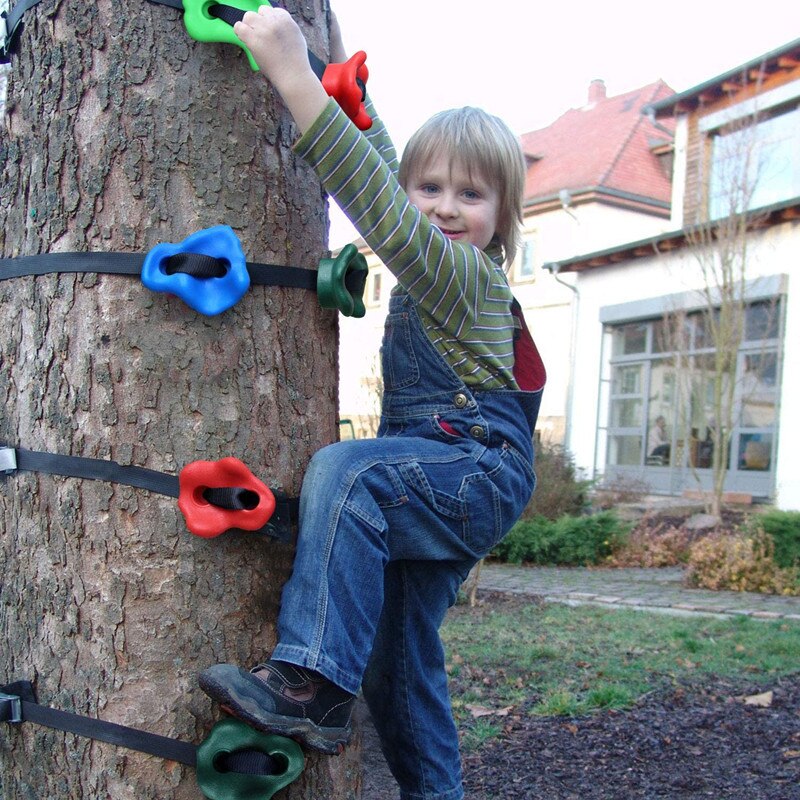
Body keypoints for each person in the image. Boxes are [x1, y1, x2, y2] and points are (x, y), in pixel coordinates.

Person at [199, 8, 546, 799]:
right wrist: (362, 110)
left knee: (348, 474)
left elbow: (387, 211)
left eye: (472, 195)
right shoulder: (438, 248)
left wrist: (291, 73)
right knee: (397, 662)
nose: (445, 208)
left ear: (502, 218)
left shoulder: (465, 274)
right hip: (448, 477)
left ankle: (311, 686)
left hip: (471, 471)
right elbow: (395, 188)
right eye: (433, 188)